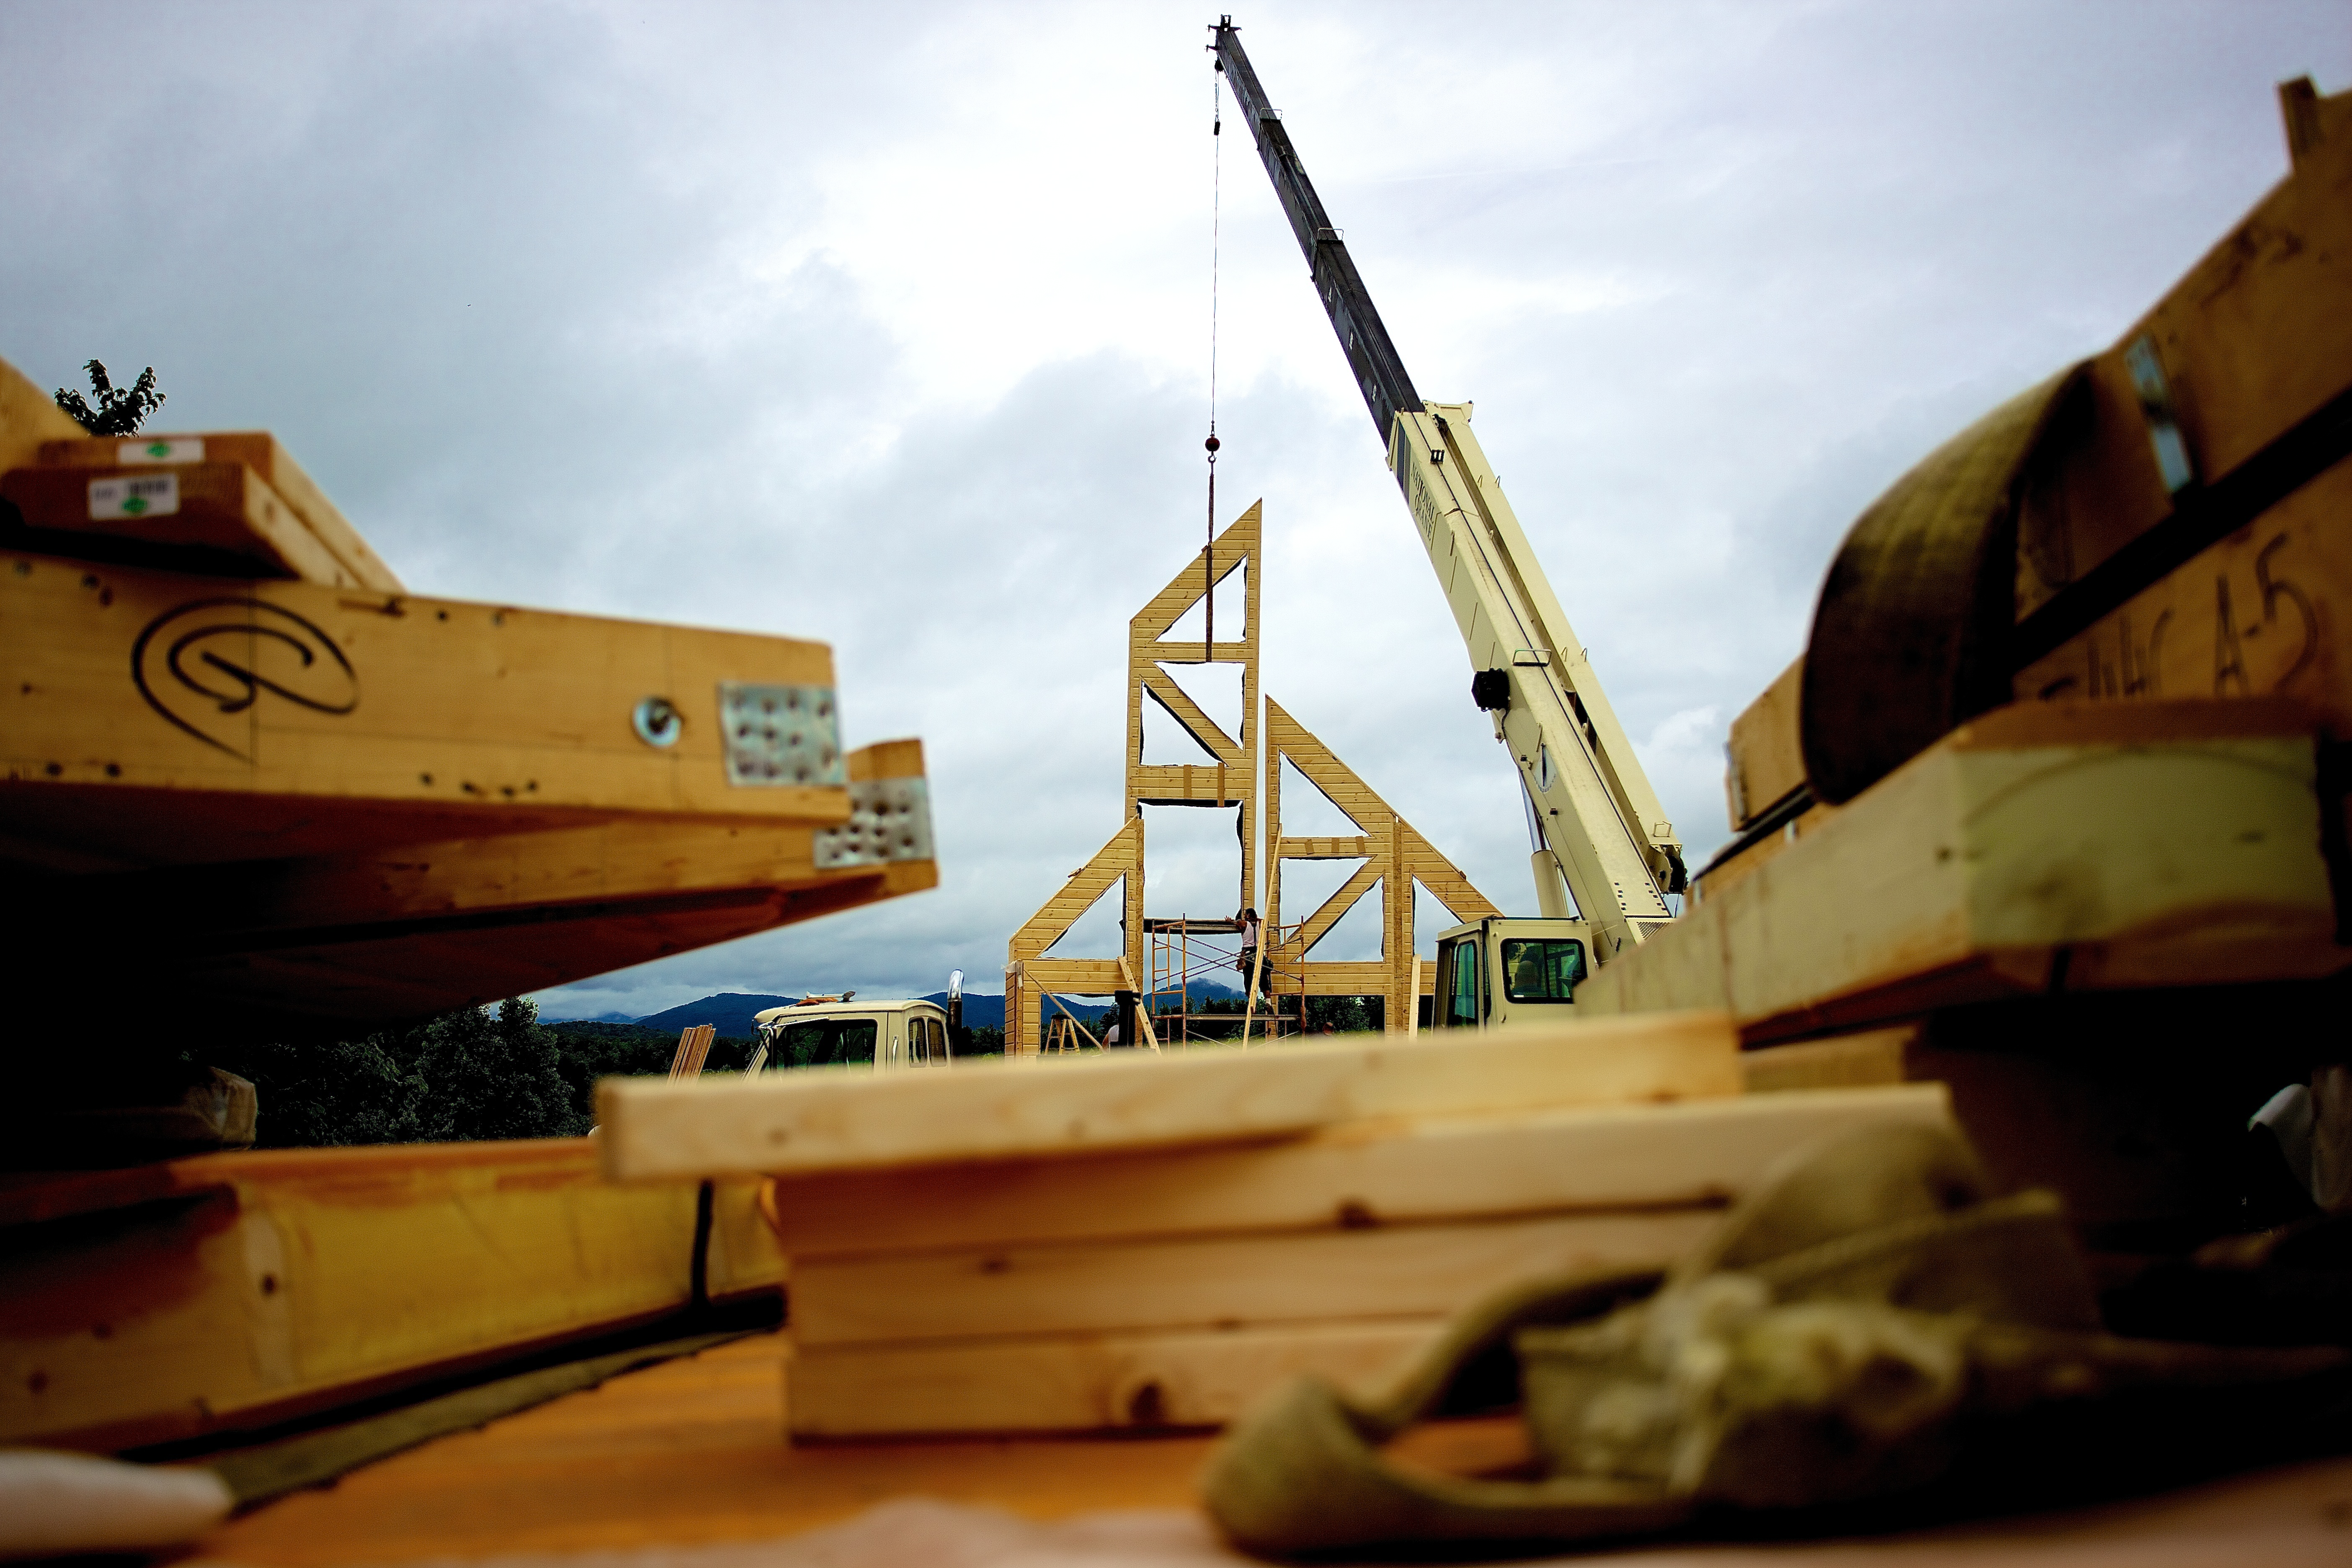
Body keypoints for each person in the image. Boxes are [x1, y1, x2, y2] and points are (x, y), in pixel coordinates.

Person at [1236, 907, 1261, 995]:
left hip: (1247, 951)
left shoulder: (1245, 924)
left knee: (1247, 976)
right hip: (1258, 951)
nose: (1245, 916)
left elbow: (1238, 923)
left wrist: (1230, 921)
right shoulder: (1260, 923)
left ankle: (1249, 994)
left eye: (1245, 914)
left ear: (1249, 915)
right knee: (1260, 974)